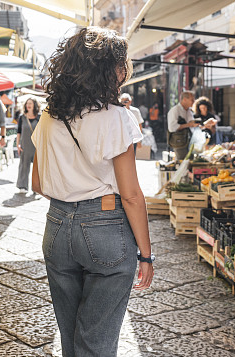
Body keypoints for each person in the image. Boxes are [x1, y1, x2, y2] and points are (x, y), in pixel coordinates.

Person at [30, 26, 153, 357]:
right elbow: (131, 195)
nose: (125, 70)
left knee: (70, 335)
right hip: (105, 227)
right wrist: (145, 254)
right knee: (96, 341)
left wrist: (71, 197)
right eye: (122, 64)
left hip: (57, 226)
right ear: (110, 69)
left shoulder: (49, 116)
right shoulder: (117, 117)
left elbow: (37, 184)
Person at [167, 91, 200, 161]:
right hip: (179, 141)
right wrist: (188, 125)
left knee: (190, 161)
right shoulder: (175, 110)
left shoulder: (189, 111)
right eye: (192, 100)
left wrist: (202, 123)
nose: (193, 102)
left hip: (188, 140)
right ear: (184, 99)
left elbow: (191, 122)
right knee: (182, 161)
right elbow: (172, 128)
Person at [16, 98, 40, 192]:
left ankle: (37, 188)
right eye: (27, 103)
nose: (28, 105)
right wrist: (18, 145)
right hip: (25, 146)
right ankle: (22, 186)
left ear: (35, 105)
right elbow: (19, 132)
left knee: (37, 169)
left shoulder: (40, 117)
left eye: (30, 103)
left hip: (36, 146)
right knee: (23, 167)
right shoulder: (22, 117)